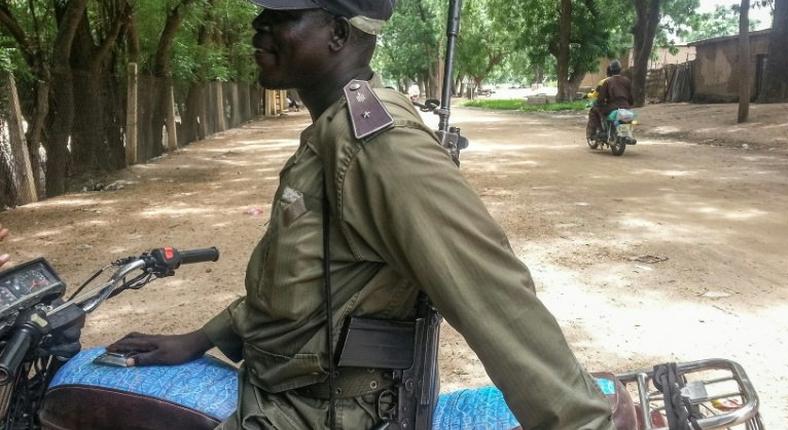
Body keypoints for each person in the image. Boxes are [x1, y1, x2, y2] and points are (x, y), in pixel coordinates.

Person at [109, 2, 615, 429]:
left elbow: (491, 291)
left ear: (338, 34)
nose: (258, 25)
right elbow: (304, 286)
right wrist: (202, 338)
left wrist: (582, 422)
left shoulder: (377, 144)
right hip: (282, 391)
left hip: (317, 413)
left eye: (281, 14)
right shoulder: (332, 130)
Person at [587, 60, 633, 140]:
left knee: (594, 110)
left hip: (612, 107)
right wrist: (629, 104)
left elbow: (600, 98)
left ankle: (600, 131)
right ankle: (624, 133)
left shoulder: (607, 81)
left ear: (610, 70)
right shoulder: (627, 81)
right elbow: (631, 98)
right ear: (620, 70)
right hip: (626, 107)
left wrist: (599, 104)